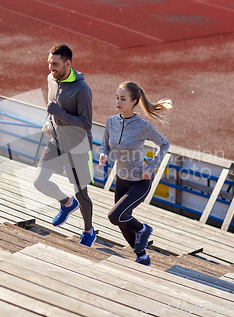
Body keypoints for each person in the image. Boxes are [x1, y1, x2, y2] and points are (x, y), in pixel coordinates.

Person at [99, 81, 172, 266]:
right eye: (117, 97)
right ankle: (142, 256)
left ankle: (144, 229)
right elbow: (105, 145)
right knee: (122, 222)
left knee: (114, 216)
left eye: (123, 98)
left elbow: (164, 144)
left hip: (139, 182)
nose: (118, 101)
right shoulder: (111, 122)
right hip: (121, 180)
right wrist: (103, 154)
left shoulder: (142, 126)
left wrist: (151, 167)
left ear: (134, 101)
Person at [33, 44, 96, 247]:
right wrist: (48, 121)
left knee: (82, 193)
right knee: (39, 182)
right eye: (49, 63)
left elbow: (86, 124)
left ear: (68, 64)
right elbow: (53, 104)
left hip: (77, 147)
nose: (51, 68)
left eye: (56, 64)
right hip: (57, 141)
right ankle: (67, 204)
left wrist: (58, 113)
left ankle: (89, 231)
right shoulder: (52, 78)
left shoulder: (82, 90)